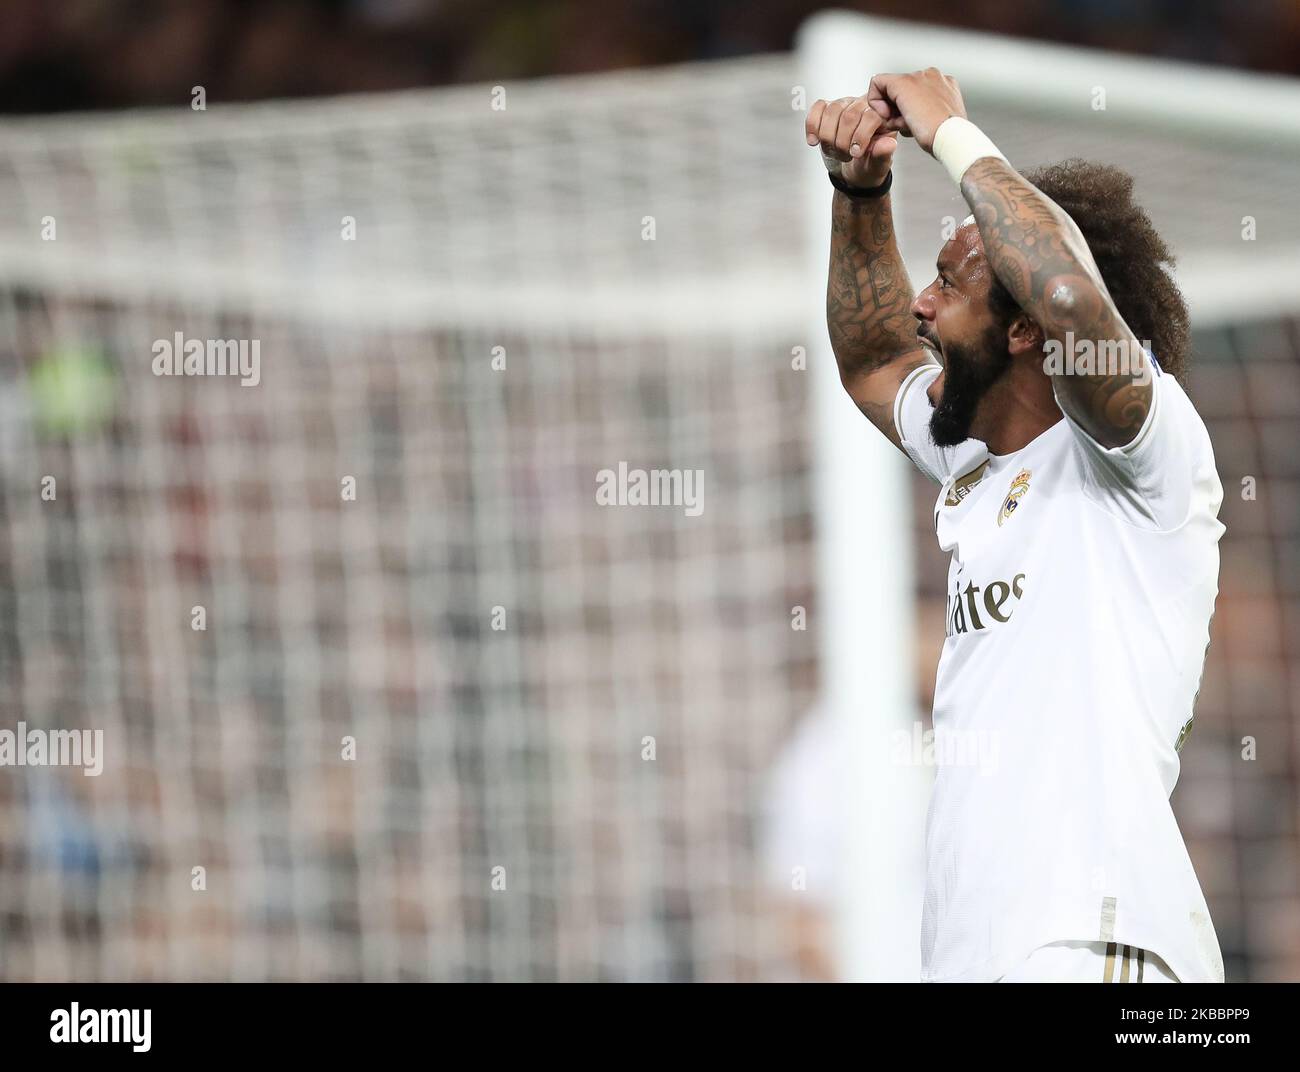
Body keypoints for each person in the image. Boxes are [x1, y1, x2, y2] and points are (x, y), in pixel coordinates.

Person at [805, 68, 1224, 983]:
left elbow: (1071, 299)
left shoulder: (1142, 451)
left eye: (950, 284)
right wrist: (861, 187)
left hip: (1096, 942)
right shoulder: (975, 455)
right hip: (987, 952)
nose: (922, 303)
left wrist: (953, 133)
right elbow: (873, 358)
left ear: (1027, 332)